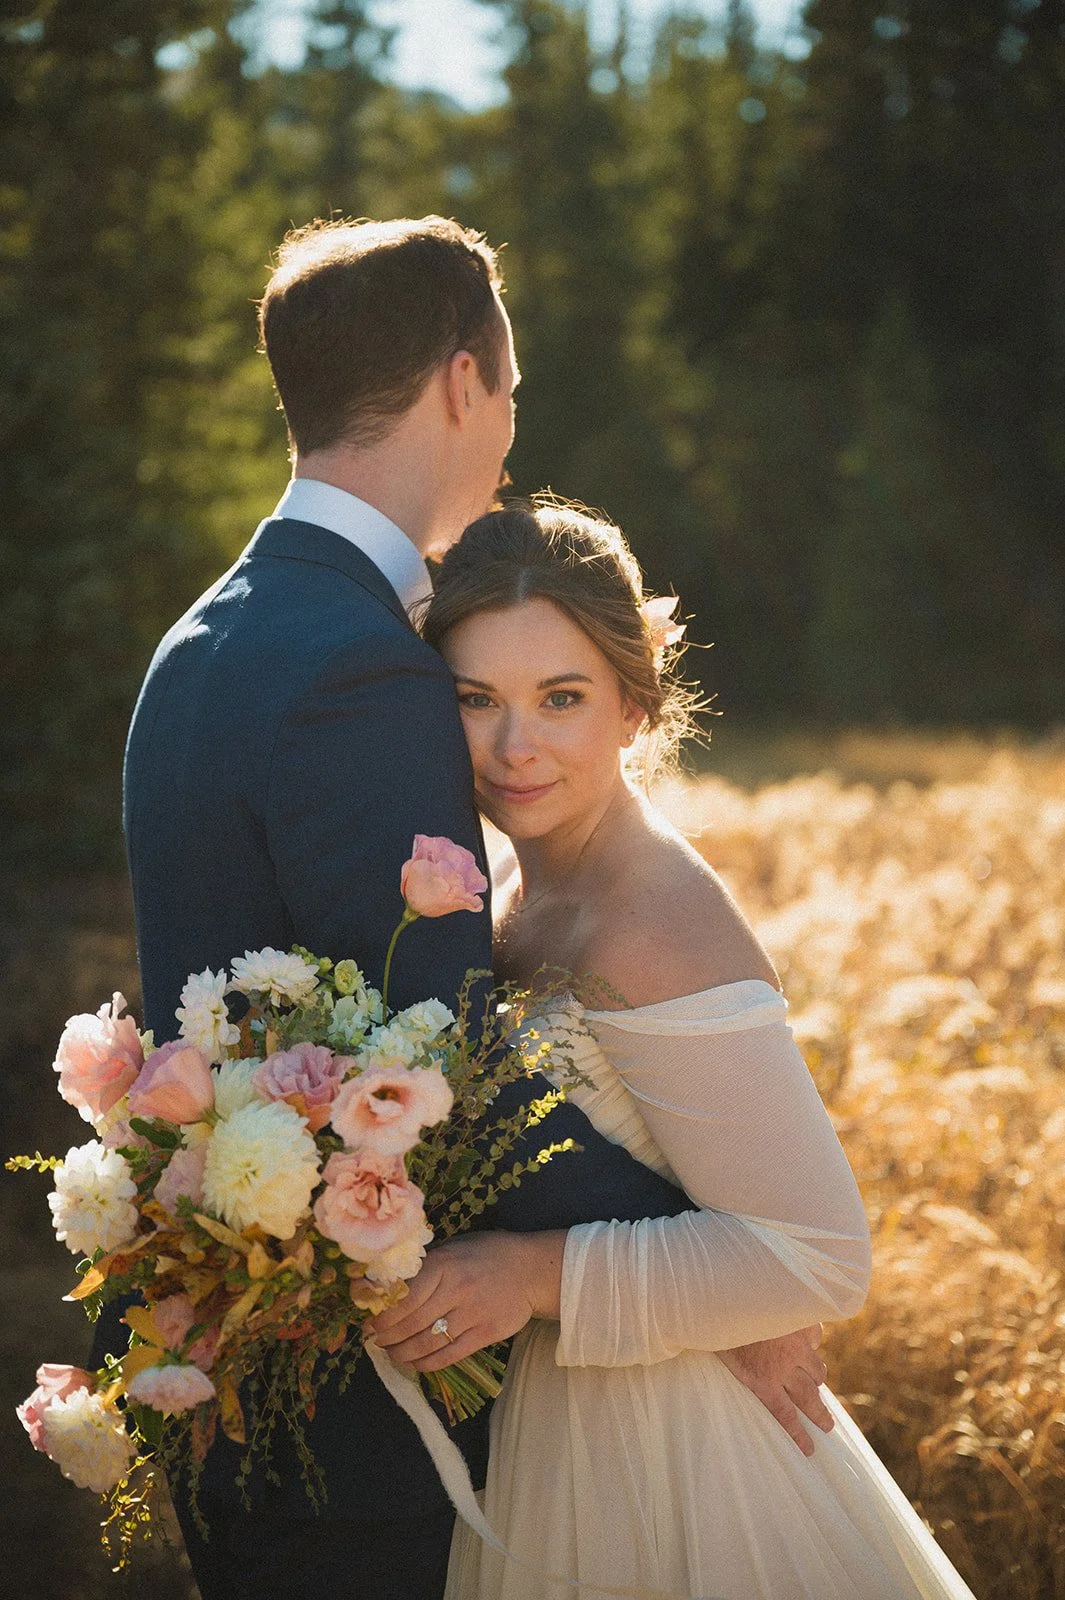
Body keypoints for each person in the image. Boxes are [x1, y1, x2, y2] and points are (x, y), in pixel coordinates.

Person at [114, 218, 829, 1600]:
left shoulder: (201, 639)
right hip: (370, 1436)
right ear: (461, 381)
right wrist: (725, 1265)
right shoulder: (361, 667)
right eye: (508, 391)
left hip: (241, 1385)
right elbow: (435, 1072)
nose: (507, 428)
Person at [368, 498, 978, 1600]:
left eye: (562, 698)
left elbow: (816, 1254)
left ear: (635, 707)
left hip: (674, 1457)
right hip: (554, 1423)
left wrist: (528, 1274)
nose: (516, 747)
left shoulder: (656, 921)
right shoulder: (507, 885)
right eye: (477, 700)